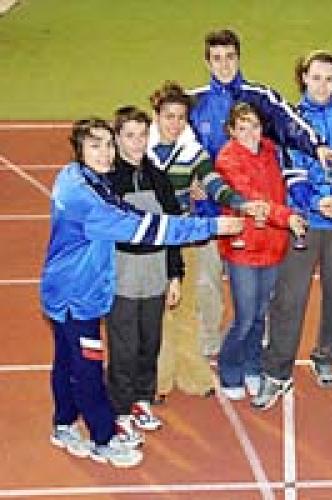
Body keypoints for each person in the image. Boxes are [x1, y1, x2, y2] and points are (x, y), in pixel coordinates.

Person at [41, 118, 242, 468]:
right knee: (88, 369)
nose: (105, 153)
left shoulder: (78, 177)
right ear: (79, 150)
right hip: (77, 297)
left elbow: (128, 212)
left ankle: (64, 424)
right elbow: (143, 228)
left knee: (67, 361)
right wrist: (211, 226)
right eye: (95, 146)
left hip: (64, 289)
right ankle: (104, 440)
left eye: (107, 144)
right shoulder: (86, 199)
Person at [188, 28, 332, 356]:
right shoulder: (194, 102)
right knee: (207, 288)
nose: (224, 65)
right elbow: (177, 148)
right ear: (207, 62)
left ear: (239, 58)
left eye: (230, 57)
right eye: (217, 58)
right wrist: (190, 183)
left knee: (257, 299)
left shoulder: (260, 97)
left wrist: (317, 147)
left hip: (257, 217)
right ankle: (210, 352)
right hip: (210, 214)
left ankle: (254, 353)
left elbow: (290, 124)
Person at [252, 50, 332, 410]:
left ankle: (327, 355)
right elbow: (290, 171)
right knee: (289, 296)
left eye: (330, 79)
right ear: (303, 78)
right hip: (305, 220)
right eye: (316, 78)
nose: (323, 86)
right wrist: (315, 202)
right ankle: (276, 371)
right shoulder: (290, 120)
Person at [146, 81, 252, 401]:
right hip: (150, 243)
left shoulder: (192, 152)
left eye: (181, 117)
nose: (175, 124)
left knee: (186, 307)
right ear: (156, 116)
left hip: (185, 238)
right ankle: (159, 379)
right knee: (157, 312)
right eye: (169, 116)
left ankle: (192, 374)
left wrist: (240, 202)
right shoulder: (141, 151)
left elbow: (214, 182)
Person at [214, 103, 307, 400]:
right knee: (244, 317)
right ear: (231, 131)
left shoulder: (270, 151)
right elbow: (252, 198)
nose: (249, 134)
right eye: (241, 128)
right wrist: (287, 217)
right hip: (243, 247)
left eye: (254, 126)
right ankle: (229, 368)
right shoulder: (227, 159)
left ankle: (252, 365)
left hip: (273, 244)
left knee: (259, 315)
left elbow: (283, 188)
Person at [105, 106, 182, 447]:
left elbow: (172, 229)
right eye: (129, 136)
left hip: (154, 274)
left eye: (142, 135)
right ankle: (120, 411)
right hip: (121, 276)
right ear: (118, 139)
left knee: (150, 343)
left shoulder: (157, 177)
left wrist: (175, 275)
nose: (137, 143)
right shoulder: (108, 181)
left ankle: (141, 400)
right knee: (124, 347)